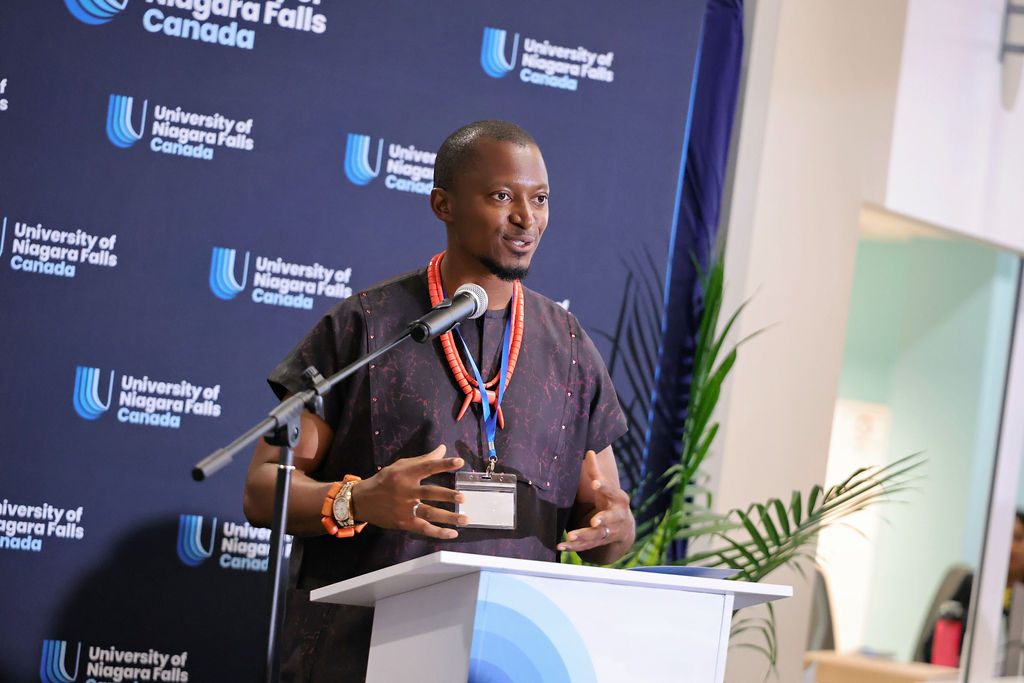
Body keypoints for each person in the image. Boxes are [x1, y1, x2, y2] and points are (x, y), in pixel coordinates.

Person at [243, 120, 635, 681]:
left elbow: (602, 517)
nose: (527, 217)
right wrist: (358, 501)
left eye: (540, 198)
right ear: (443, 204)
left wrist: (615, 531)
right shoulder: (367, 328)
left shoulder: (569, 346)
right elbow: (263, 491)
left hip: (512, 658)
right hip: (359, 656)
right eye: (502, 196)